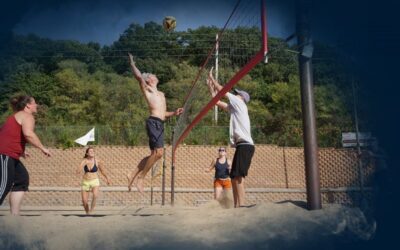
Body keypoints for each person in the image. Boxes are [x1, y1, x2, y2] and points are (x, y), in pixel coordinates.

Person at [127, 53, 184, 193]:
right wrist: (132, 64)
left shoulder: (162, 94)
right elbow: (139, 77)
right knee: (158, 153)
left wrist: (174, 113)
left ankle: (132, 173)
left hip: (160, 123)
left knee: (155, 154)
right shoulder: (148, 89)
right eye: (152, 75)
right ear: (149, 80)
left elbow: (163, 113)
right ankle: (141, 178)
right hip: (153, 122)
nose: (155, 75)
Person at [207, 68, 255, 208]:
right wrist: (211, 88)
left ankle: (241, 206)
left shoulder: (240, 103)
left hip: (246, 145)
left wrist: (212, 78)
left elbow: (222, 90)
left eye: (237, 94)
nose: (235, 94)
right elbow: (216, 101)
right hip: (242, 146)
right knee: (234, 177)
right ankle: (236, 206)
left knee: (238, 177)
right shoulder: (235, 108)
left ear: (241, 97)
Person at [0, 95, 51, 215]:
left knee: (22, 179)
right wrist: (42, 148)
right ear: (28, 105)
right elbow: (28, 134)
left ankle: (15, 217)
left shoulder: (17, 116)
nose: (36, 105)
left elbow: (7, 134)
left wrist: (21, 151)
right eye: (35, 103)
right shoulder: (27, 116)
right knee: (4, 184)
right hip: (5, 154)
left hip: (10, 154)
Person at [76, 147, 111, 214]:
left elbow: (102, 171)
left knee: (95, 195)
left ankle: (91, 211)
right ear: (87, 153)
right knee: (84, 201)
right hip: (85, 181)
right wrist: (82, 164)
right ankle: (87, 213)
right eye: (90, 151)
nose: (92, 152)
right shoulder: (84, 161)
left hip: (95, 180)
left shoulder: (97, 161)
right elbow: (78, 171)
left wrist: (107, 178)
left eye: (93, 151)